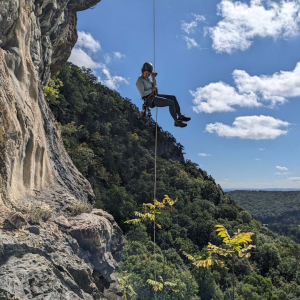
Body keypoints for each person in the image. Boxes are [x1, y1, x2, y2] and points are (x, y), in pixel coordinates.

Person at [136, 62, 191, 127]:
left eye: (149, 74)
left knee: (173, 97)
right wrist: (151, 90)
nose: (147, 75)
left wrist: (153, 78)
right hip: (149, 99)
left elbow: (154, 87)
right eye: (146, 73)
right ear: (142, 71)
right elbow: (142, 94)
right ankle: (176, 121)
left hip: (154, 96)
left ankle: (180, 115)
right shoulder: (140, 81)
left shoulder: (148, 79)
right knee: (171, 103)